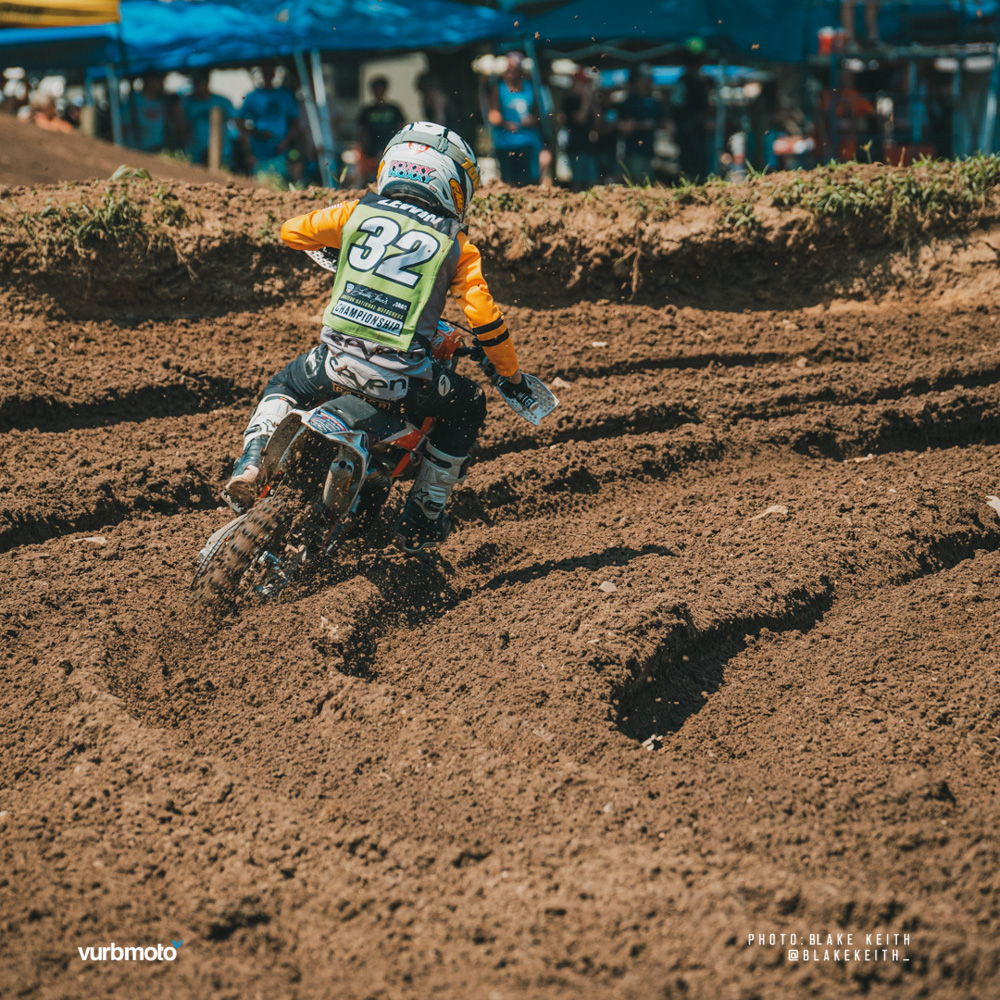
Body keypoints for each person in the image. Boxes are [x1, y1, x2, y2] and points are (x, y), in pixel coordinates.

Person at [223, 122, 536, 554]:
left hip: (334, 365)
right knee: (469, 406)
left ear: (392, 165)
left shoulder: (357, 212)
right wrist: (512, 376)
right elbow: (484, 318)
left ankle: (251, 461)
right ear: (454, 185)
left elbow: (292, 231)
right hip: (403, 381)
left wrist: (344, 247)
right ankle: (424, 515)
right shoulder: (456, 245)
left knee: (285, 383)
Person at [488, 52, 542, 185]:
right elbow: (493, 116)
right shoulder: (499, 89)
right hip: (505, 143)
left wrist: (532, 120)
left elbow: (539, 115)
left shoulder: (530, 87)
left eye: (515, 69)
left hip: (526, 142)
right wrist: (507, 124)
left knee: (526, 181)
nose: (511, 72)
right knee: (509, 181)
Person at [240, 62, 301, 174]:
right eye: (265, 72)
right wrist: (256, 134)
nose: (267, 75)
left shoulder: (285, 95)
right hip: (259, 149)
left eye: (270, 72)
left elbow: (295, 122)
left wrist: (286, 141)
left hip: (280, 149)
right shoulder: (252, 96)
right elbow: (240, 121)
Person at [618, 67, 668, 185]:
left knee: (648, 182)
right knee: (636, 181)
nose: (648, 82)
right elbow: (625, 126)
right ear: (636, 81)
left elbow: (662, 122)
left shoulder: (653, 102)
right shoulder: (629, 102)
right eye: (644, 79)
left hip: (649, 149)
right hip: (634, 150)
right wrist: (641, 125)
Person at [179, 70, 237, 167]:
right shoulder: (187, 102)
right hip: (196, 152)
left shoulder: (222, 101)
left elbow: (237, 121)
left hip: (222, 152)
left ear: (207, 82)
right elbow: (183, 127)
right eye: (195, 83)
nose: (197, 86)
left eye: (200, 83)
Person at [356, 77, 406, 184]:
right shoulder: (367, 111)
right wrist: (363, 148)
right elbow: (362, 131)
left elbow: (401, 128)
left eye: (381, 89)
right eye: (376, 89)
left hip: (390, 149)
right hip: (371, 152)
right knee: (370, 181)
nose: (379, 92)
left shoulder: (394, 109)